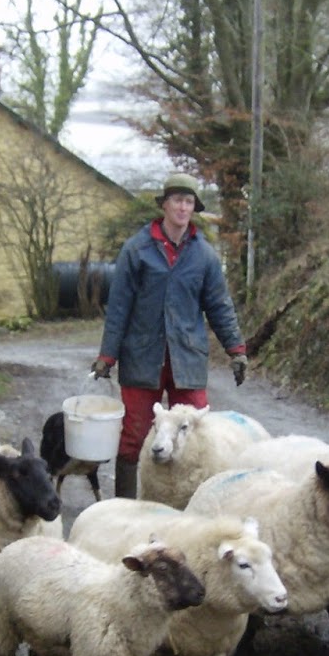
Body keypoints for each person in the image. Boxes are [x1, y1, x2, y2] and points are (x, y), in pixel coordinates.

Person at [91, 172, 247, 498]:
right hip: (142, 356)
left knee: (197, 434)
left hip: (187, 358)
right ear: (164, 204)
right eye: (177, 200)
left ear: (194, 209)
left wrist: (236, 348)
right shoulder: (137, 250)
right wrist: (108, 355)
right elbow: (119, 306)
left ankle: (194, 505)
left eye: (189, 202)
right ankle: (125, 507)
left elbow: (219, 304)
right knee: (133, 436)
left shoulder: (203, 254)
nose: (182, 207)